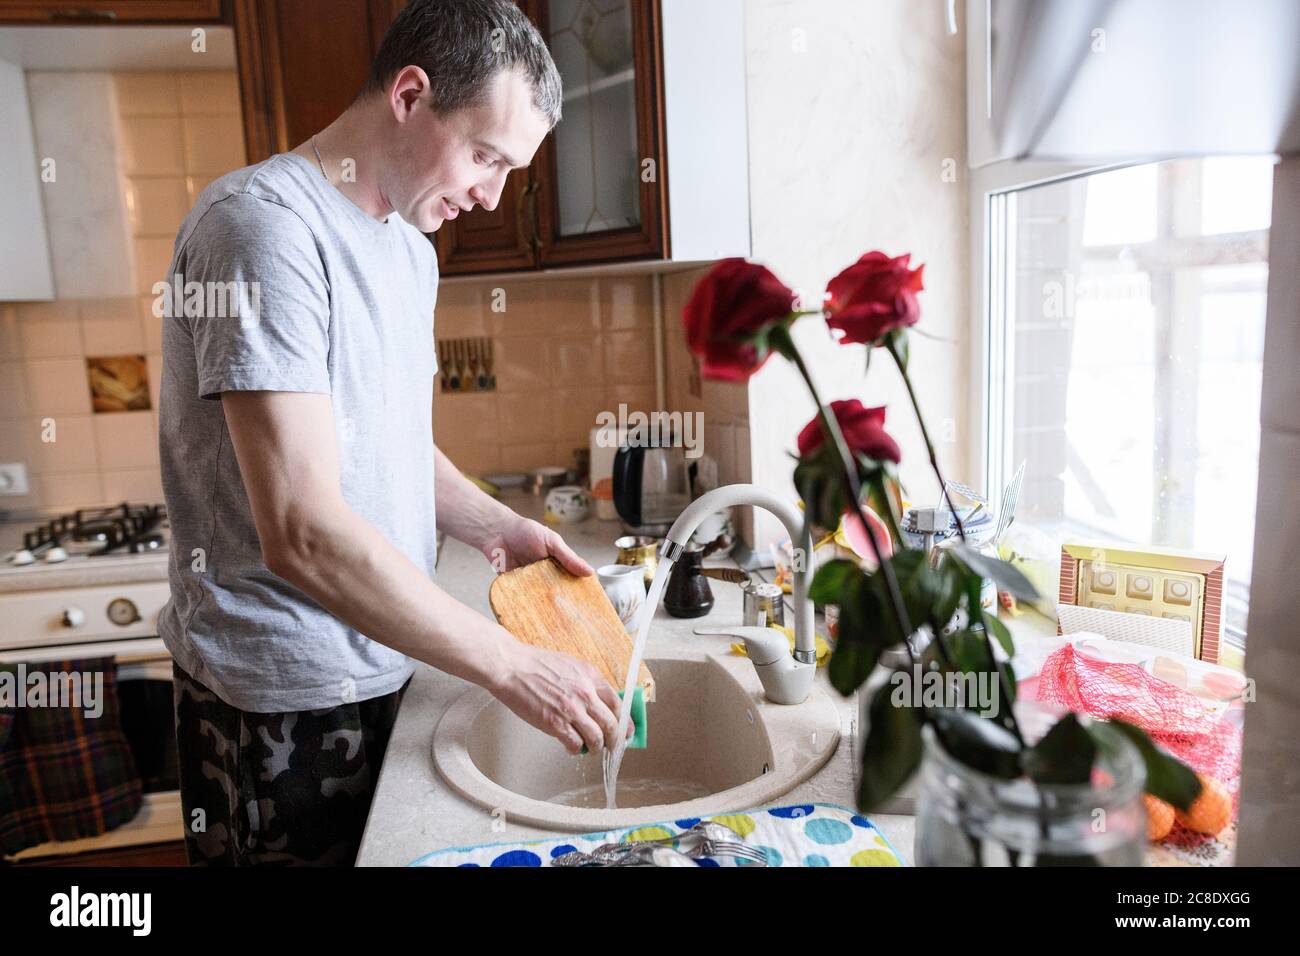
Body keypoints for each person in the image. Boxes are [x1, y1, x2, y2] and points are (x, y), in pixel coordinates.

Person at [157, 0, 629, 866]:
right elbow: (301, 531)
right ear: (410, 94)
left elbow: (388, 439)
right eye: (486, 156)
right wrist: (512, 664)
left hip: (390, 656)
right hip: (283, 698)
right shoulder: (264, 230)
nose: (493, 194)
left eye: (510, 169)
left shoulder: (409, 247)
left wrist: (491, 524)